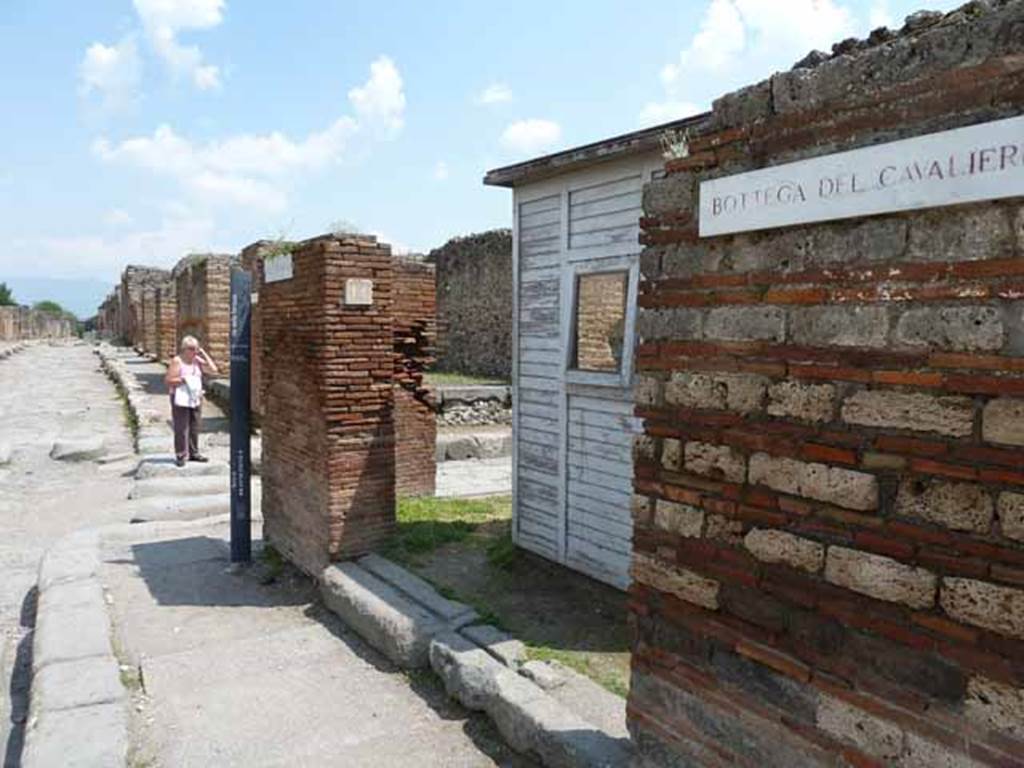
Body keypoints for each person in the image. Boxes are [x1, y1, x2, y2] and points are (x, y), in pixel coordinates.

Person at [165, 336, 219, 467]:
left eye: (196, 348)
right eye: (192, 348)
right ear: (184, 349)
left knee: (195, 425)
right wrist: (185, 379)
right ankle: (181, 454)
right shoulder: (177, 361)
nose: (194, 351)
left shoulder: (197, 360)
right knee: (181, 426)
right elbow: (169, 380)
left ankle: (194, 453)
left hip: (195, 397)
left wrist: (204, 354)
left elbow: (214, 370)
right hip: (180, 397)